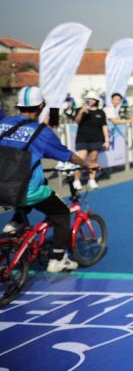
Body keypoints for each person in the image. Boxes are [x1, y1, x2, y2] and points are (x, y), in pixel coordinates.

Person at [1, 86, 99, 272]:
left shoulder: (4, 123)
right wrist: (88, 165)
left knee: (40, 182)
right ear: (41, 106)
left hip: (3, 185)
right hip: (23, 189)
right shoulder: (42, 133)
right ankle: (58, 259)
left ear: (18, 105)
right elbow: (67, 155)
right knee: (61, 213)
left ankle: (16, 221)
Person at [73, 91, 109, 190]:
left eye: (92, 99)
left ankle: (91, 180)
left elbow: (104, 126)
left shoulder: (100, 112)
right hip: (82, 139)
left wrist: (106, 140)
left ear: (96, 100)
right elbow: (77, 121)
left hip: (96, 139)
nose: (90, 100)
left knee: (93, 160)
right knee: (80, 160)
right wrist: (82, 111)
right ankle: (76, 180)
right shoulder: (80, 109)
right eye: (88, 98)